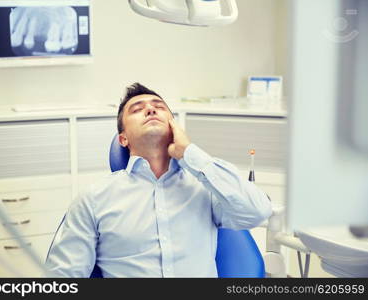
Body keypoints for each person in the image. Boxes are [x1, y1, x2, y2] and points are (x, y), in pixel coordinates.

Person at [45, 83, 272, 277]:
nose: (151, 110)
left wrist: (190, 153)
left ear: (174, 126)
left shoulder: (205, 188)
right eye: (137, 109)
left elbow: (258, 211)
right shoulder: (94, 199)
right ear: (123, 139)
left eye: (159, 107)